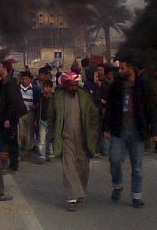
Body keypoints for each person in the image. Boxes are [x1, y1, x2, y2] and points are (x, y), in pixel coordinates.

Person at [104, 59, 155, 208]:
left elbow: (151, 108)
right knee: (114, 160)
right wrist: (106, 127)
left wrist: (154, 130)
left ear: (131, 68)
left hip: (137, 132)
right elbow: (110, 106)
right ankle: (118, 185)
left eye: (123, 68)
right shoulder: (117, 85)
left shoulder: (142, 85)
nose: (120, 71)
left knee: (137, 167)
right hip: (119, 131)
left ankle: (136, 196)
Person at [51, 71, 100, 211]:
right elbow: (51, 117)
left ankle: (80, 191)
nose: (73, 88)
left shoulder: (84, 96)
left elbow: (94, 115)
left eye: (75, 85)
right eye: (71, 85)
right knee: (69, 166)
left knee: (83, 167)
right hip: (66, 137)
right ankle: (72, 197)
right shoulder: (58, 97)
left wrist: (94, 133)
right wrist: (52, 135)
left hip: (83, 137)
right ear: (65, 85)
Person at [0, 59, 27, 173]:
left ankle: (13, 166)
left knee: (12, 141)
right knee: (7, 140)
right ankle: (8, 163)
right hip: (6, 116)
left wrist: (8, 118)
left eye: (0, 67)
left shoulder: (10, 83)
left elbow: (12, 103)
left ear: (4, 69)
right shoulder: (5, 82)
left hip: (11, 117)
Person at [17, 71, 40, 161]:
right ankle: (19, 150)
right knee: (20, 131)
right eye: (23, 79)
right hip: (20, 112)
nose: (24, 81)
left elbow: (38, 102)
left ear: (30, 79)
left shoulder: (35, 89)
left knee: (29, 131)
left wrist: (35, 107)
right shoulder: (18, 88)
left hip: (30, 113)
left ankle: (28, 150)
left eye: (26, 79)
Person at [36, 79, 55, 163]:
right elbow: (38, 109)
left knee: (50, 139)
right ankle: (41, 156)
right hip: (42, 120)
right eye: (44, 87)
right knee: (42, 138)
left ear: (51, 88)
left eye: (47, 87)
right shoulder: (41, 98)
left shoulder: (54, 98)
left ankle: (50, 154)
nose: (45, 89)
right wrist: (37, 119)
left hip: (51, 121)